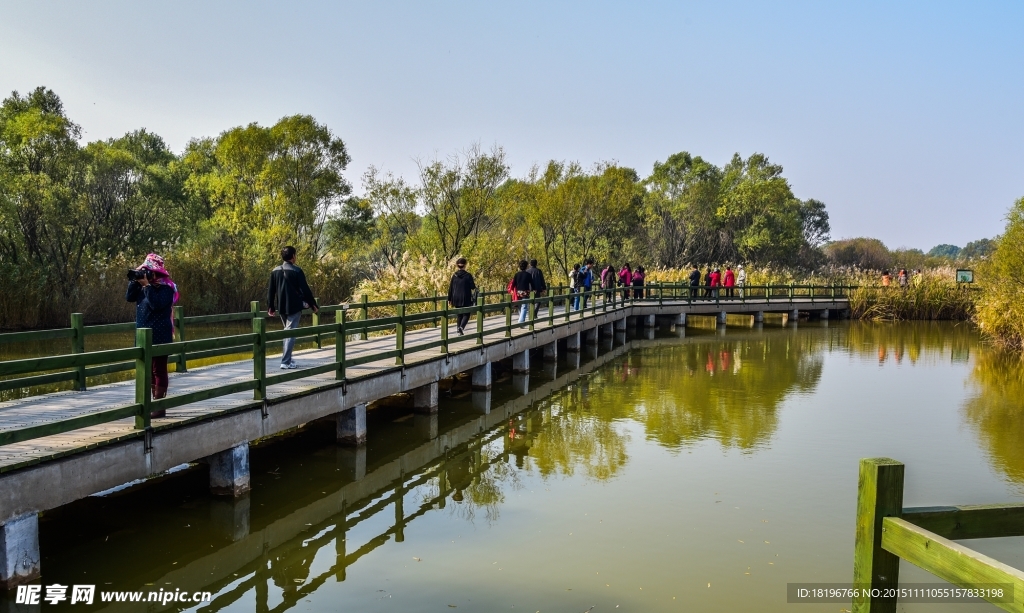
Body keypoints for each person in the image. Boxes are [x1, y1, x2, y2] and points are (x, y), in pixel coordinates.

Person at [126, 253, 178, 414]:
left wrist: (147, 286)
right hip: (143, 335)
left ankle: (159, 406)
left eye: (148, 270)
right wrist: (135, 281)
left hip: (160, 333)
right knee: (147, 370)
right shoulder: (142, 288)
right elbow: (129, 297)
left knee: (159, 369)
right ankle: (151, 404)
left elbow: (156, 304)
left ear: (157, 272)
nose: (146, 273)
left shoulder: (167, 288)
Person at [267, 245, 318, 369]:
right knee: (290, 333)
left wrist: (271, 307)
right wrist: (313, 305)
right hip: (294, 307)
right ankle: (285, 362)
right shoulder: (297, 271)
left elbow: (271, 291)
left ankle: (288, 359)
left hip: (281, 307)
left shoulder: (275, 271)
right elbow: (305, 290)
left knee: (287, 332)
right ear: (293, 256)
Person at [447, 257, 476, 336]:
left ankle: (458, 328)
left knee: (459, 314)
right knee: (466, 314)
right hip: (465, 297)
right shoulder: (468, 275)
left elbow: (451, 288)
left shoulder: (454, 275)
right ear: (465, 265)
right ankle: (461, 327)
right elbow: (473, 287)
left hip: (455, 298)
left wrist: (449, 299)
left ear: (457, 265)